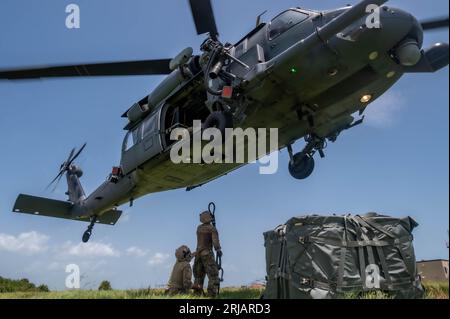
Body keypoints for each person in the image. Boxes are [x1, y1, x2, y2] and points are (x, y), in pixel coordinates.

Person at [193, 211, 223, 297]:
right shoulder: (212, 229)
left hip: (198, 254)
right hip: (207, 254)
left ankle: (197, 294)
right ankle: (211, 295)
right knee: (213, 275)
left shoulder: (199, 228)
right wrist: (218, 250)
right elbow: (215, 242)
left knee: (198, 276)